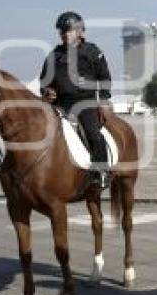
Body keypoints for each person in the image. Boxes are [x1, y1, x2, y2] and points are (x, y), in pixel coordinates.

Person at [40, 11, 113, 189]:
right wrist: (47, 92)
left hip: (85, 103)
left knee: (93, 134)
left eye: (70, 30)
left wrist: (103, 101)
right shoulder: (54, 56)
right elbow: (44, 82)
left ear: (80, 31)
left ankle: (102, 172)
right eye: (62, 31)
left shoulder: (93, 52)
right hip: (59, 105)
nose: (66, 34)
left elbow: (105, 79)